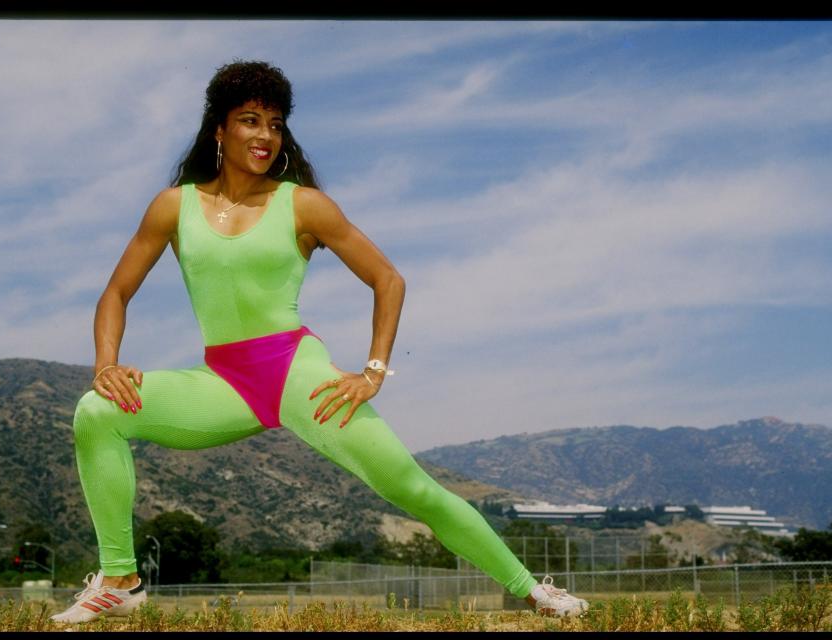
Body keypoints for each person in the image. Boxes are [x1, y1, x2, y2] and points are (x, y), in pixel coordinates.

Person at [50, 59, 589, 624]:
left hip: (298, 376)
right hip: (222, 382)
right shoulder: (173, 206)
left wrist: (374, 370)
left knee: (413, 489)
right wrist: (105, 365)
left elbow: (388, 279)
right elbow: (115, 292)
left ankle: (532, 590)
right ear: (219, 129)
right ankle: (120, 579)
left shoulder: (302, 203)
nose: (264, 135)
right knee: (97, 411)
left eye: (275, 123)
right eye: (250, 120)